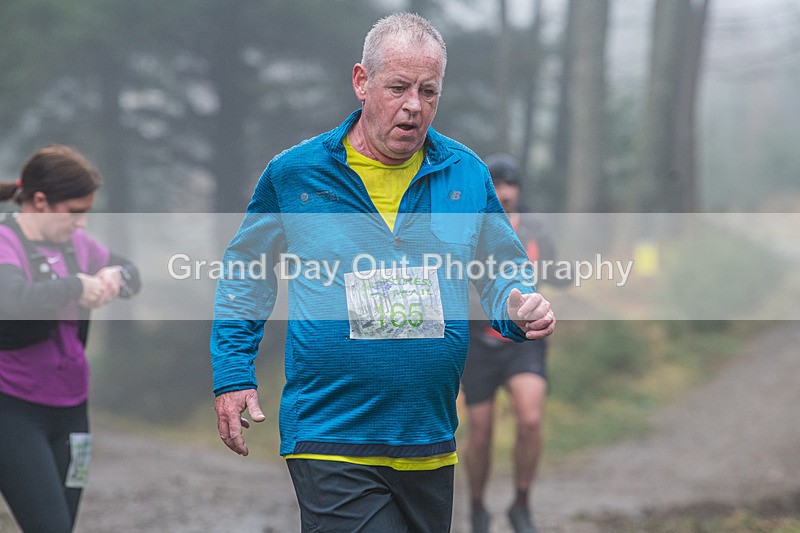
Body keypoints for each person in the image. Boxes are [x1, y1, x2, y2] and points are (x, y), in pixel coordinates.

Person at [210, 13, 555, 532]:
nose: (414, 106)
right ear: (361, 82)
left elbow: (501, 268)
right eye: (398, 87)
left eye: (428, 91)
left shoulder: (465, 174)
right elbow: (247, 272)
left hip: (428, 438)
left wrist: (516, 305)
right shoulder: (296, 174)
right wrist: (234, 373)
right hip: (329, 432)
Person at [0, 145, 141, 533]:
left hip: (72, 410)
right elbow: (12, 299)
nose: (82, 224)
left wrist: (115, 275)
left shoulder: (76, 245)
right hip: (13, 409)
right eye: (75, 212)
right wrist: (75, 286)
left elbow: (132, 274)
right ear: (40, 201)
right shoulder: (5, 241)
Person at [462, 154, 567, 533]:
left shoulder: (536, 230)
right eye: (497, 185)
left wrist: (565, 277)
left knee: (530, 417)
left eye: (511, 185)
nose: (505, 193)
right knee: (480, 430)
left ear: (519, 190)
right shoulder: (470, 231)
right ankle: (477, 507)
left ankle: (521, 503)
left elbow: (557, 270)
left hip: (525, 340)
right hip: (478, 342)